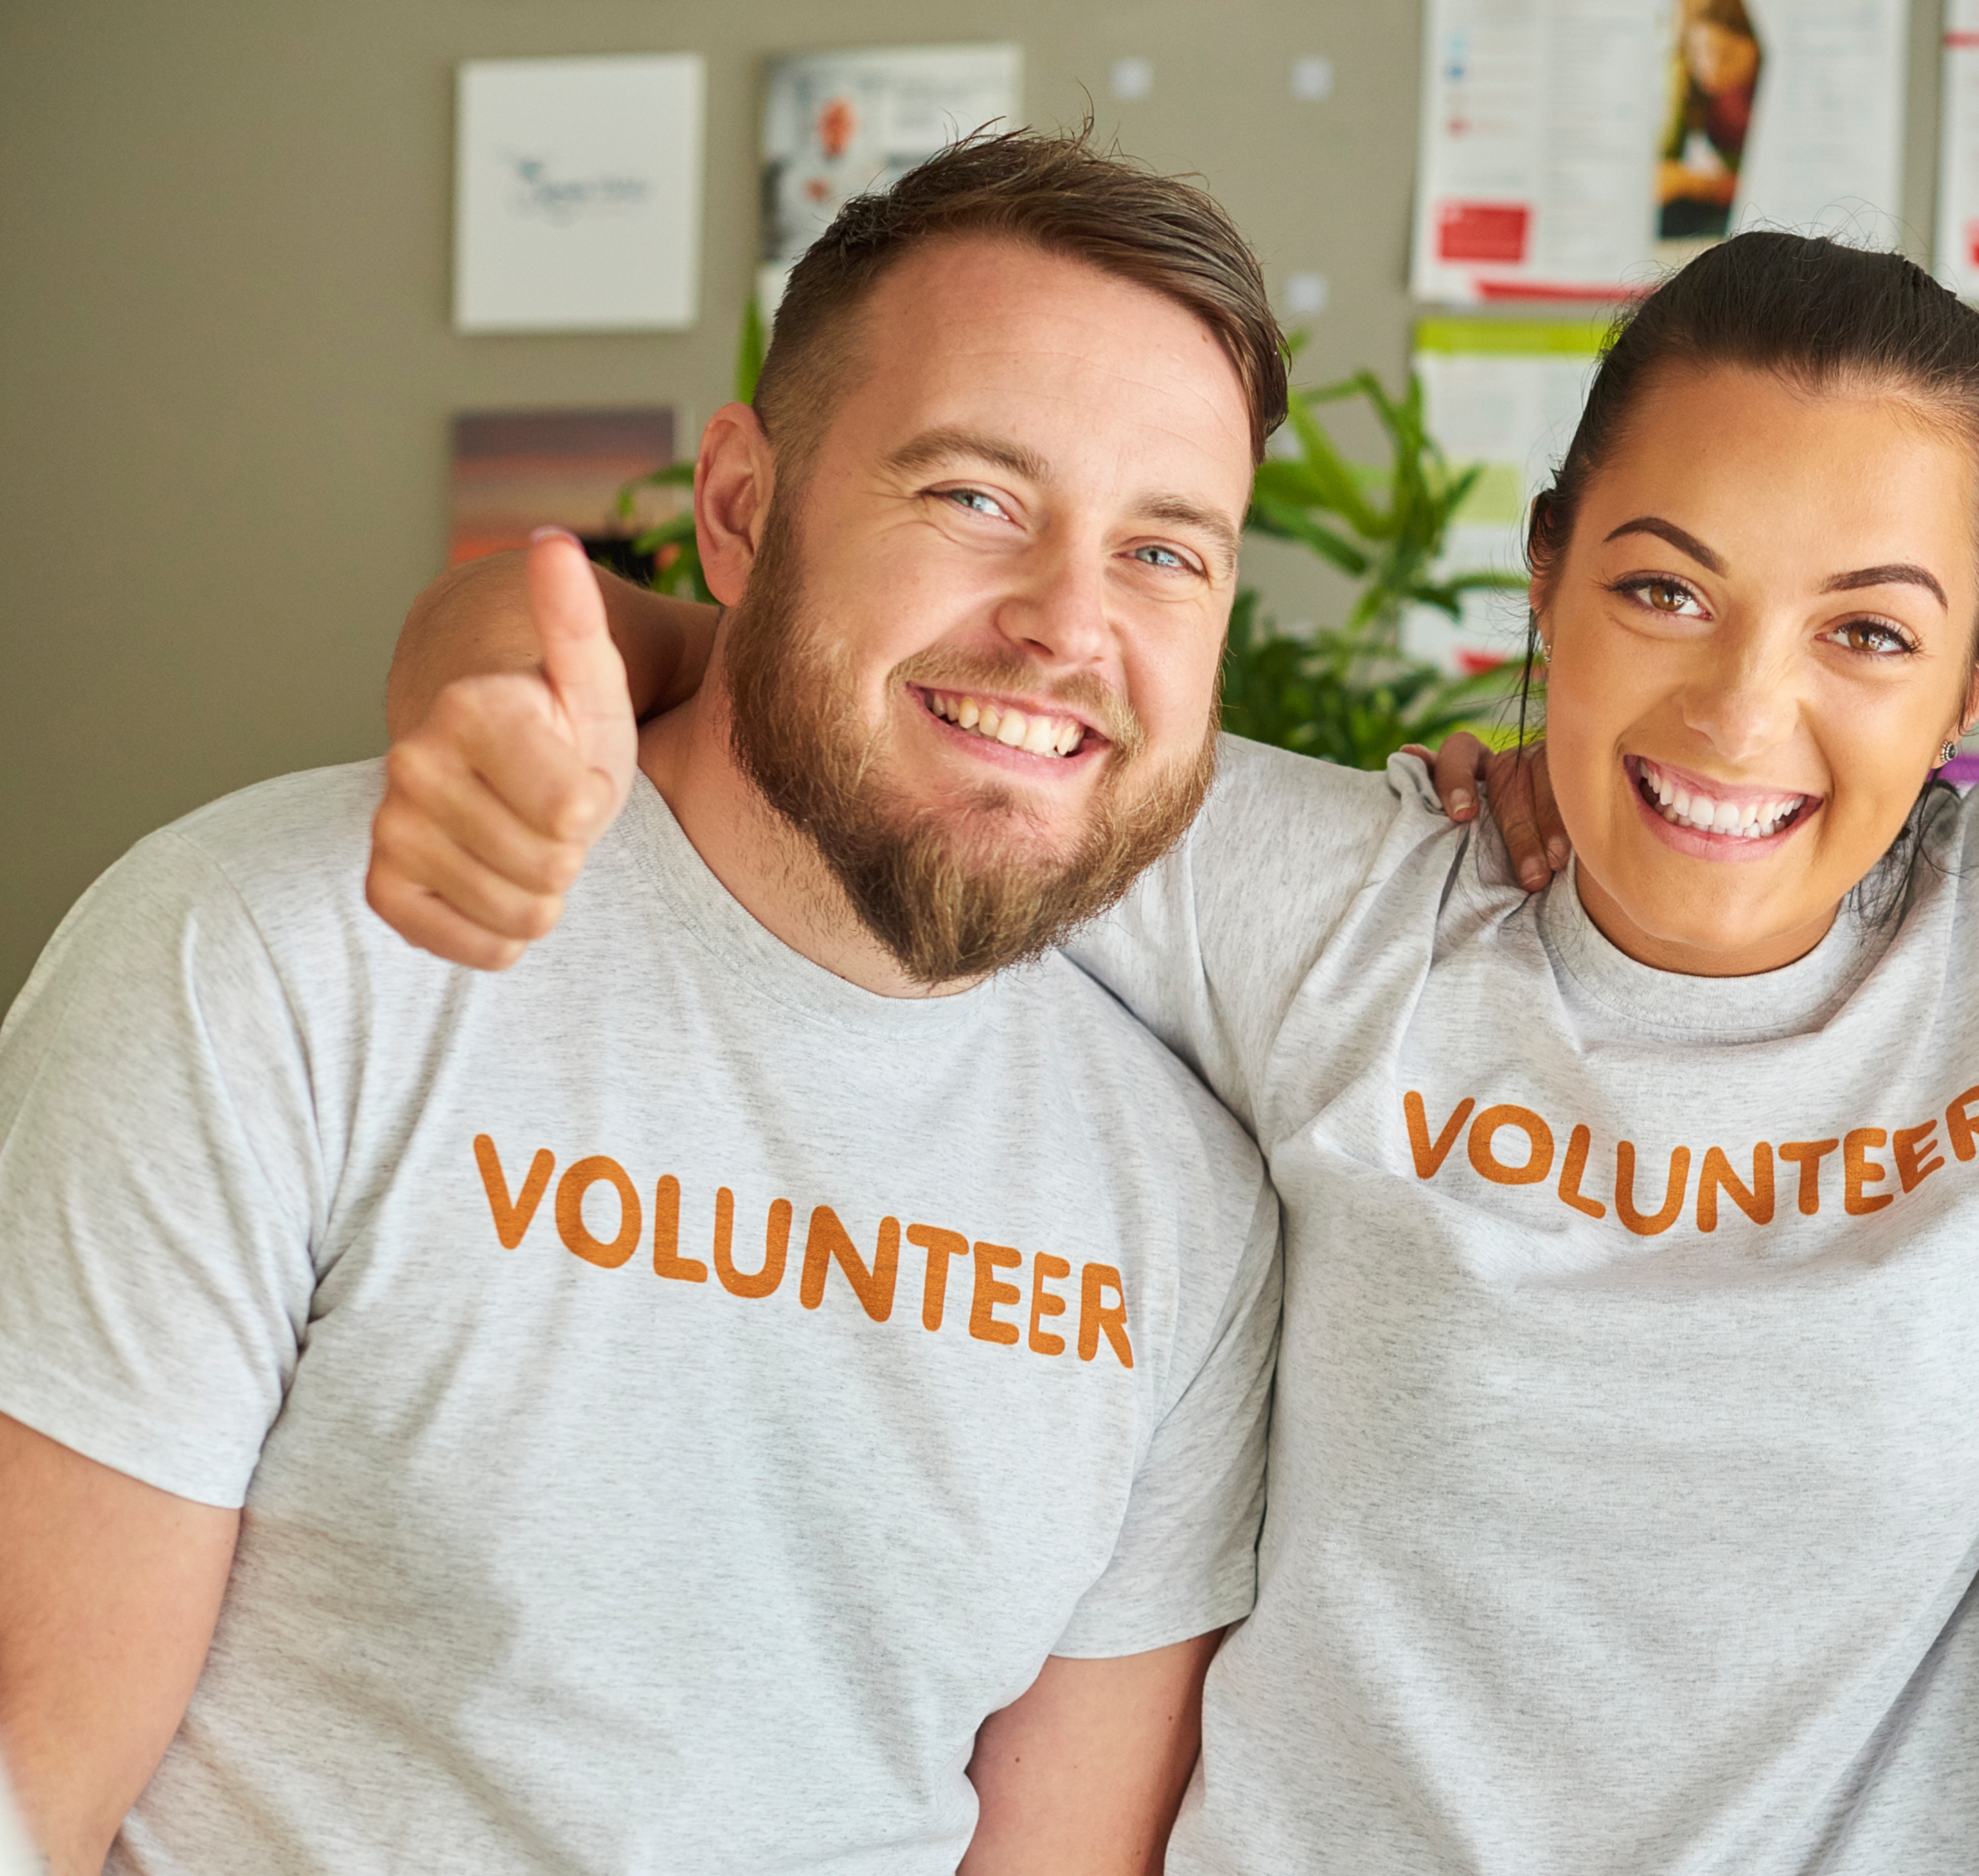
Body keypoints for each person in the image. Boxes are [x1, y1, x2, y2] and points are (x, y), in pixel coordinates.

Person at [367, 233, 1979, 1873]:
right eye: (1659, 588)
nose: (1743, 708)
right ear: (1538, 592)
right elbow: (830, 702)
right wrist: (493, 633)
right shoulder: (1344, 908)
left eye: (1865, 627)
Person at [0, 133, 1293, 1873]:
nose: (1069, 626)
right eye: (976, 495)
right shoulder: (269, 956)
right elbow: (31, 1781)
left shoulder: (1190, 1210)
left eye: (1166, 553)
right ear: (745, 509)